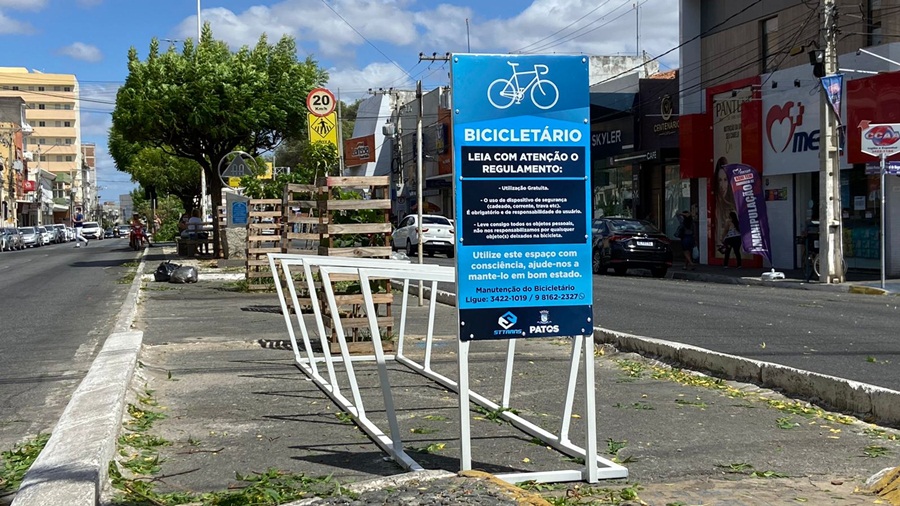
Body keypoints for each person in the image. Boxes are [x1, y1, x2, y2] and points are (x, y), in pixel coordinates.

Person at [713, 157, 737, 250]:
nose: (722, 185)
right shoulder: (716, 202)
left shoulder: (733, 202)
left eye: (725, 179)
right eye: (719, 180)